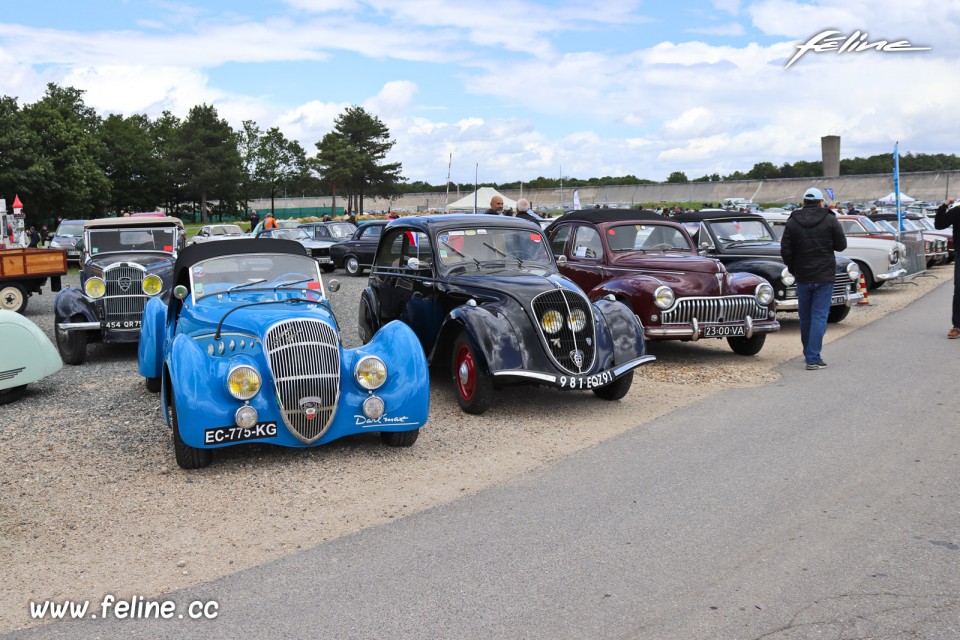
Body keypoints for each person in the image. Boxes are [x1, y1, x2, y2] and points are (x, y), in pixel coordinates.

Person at [780, 187, 847, 370]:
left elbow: (785, 249)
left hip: (803, 274)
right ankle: (813, 357)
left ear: (803, 202)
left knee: (806, 316)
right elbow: (841, 246)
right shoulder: (830, 219)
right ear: (820, 202)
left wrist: (793, 268)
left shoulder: (793, 221)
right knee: (819, 316)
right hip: (824, 274)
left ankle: (808, 352)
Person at [934, 197, 960, 338]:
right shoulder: (957, 211)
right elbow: (939, 224)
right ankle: (957, 326)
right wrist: (944, 205)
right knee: (959, 290)